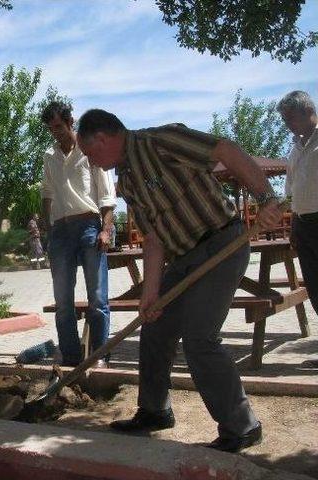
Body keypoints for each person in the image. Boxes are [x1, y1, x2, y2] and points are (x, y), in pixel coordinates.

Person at [76, 109, 282, 453]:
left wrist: (267, 198)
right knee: (155, 327)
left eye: (90, 154)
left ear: (102, 139)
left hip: (222, 244)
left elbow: (226, 150)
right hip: (182, 258)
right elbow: (155, 237)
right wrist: (151, 293)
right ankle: (155, 411)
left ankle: (242, 426)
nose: (93, 163)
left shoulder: (162, 141)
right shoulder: (125, 180)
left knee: (200, 337)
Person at [40, 101, 116, 368]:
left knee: (97, 298)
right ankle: (71, 359)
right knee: (63, 302)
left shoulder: (89, 152)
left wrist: (106, 230)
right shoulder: (49, 156)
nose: (56, 133)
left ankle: (100, 358)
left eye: (59, 126)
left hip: (89, 227)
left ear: (71, 122)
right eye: (51, 129)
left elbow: (107, 197)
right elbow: (47, 195)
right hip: (61, 231)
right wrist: (48, 232)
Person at [277, 91, 318, 369]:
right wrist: (293, 226)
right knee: (315, 286)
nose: (287, 124)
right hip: (303, 224)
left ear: (307, 111)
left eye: (289, 118)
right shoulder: (295, 148)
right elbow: (290, 193)